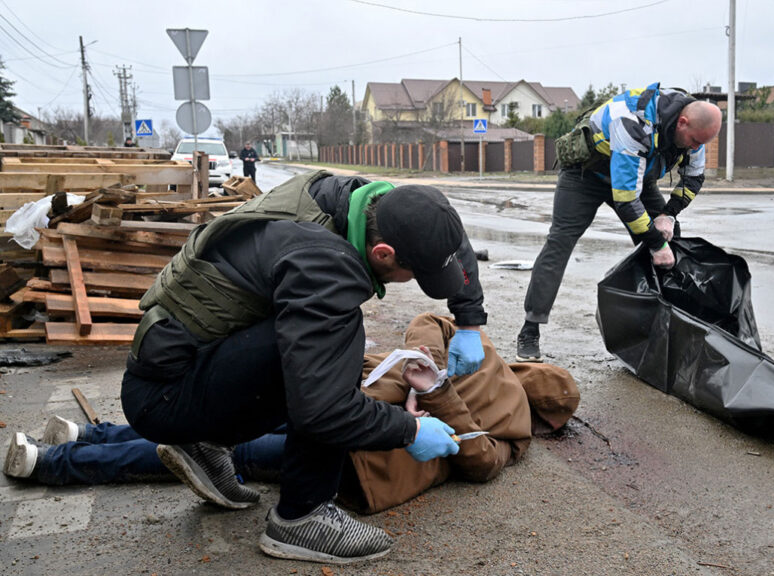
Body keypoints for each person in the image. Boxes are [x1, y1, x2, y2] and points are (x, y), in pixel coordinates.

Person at [120, 171, 491, 564]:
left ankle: (207, 443)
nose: (413, 281)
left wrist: (468, 319)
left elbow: (438, 224)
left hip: (178, 362)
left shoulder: (350, 199)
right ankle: (303, 516)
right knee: (337, 346)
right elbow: (323, 410)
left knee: (324, 343)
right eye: (414, 273)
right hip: (163, 397)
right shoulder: (326, 265)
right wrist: (410, 430)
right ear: (383, 253)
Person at [4, 314, 579, 514]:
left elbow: (477, 456)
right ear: (550, 418)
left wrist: (431, 390)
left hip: (342, 413)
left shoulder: (499, 384)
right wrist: (428, 370)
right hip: (351, 430)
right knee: (225, 448)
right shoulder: (504, 399)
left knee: (216, 436)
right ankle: (57, 458)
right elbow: (480, 459)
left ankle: (74, 443)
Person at [516, 82, 723, 363]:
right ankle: (530, 329)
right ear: (683, 122)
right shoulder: (633, 121)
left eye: (702, 144)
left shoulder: (695, 131)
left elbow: (694, 179)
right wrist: (655, 242)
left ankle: (668, 327)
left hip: (635, 177)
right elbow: (626, 200)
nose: (697, 148)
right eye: (695, 142)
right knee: (560, 243)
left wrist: (668, 215)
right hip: (586, 175)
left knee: (671, 242)